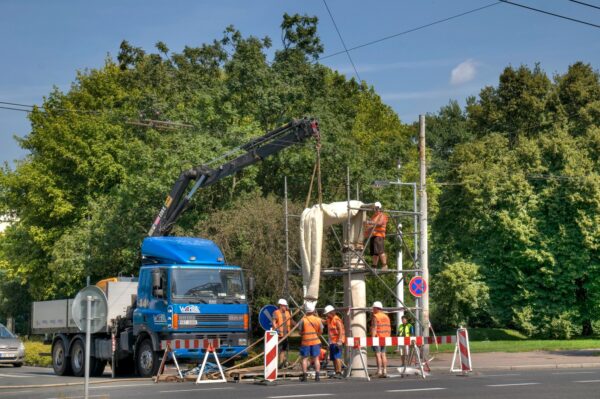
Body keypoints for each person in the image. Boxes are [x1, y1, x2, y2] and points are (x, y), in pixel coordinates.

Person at [298, 302, 323, 382]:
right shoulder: (318, 320)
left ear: (306, 310)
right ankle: (317, 376)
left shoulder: (303, 320)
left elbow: (300, 332)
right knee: (316, 359)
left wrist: (304, 335)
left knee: (304, 358)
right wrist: (316, 335)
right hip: (315, 341)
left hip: (305, 342)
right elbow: (321, 331)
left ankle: (305, 376)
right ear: (313, 310)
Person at [365, 201, 389, 270]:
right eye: (373, 208)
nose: (373, 209)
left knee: (380, 251)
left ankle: (385, 265)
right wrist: (367, 229)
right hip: (373, 235)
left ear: (378, 208)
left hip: (379, 235)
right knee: (375, 253)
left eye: (375, 208)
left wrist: (370, 222)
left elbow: (380, 223)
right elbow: (371, 226)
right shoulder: (374, 216)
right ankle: (374, 266)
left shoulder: (382, 215)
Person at [324, 305, 345, 378]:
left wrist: (339, 340)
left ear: (331, 312)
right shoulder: (329, 319)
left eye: (327, 313)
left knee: (337, 357)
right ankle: (336, 371)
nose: (326, 315)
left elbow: (340, 330)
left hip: (337, 341)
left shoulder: (336, 319)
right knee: (333, 357)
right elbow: (324, 322)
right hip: (332, 341)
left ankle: (339, 372)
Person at [370, 301, 391, 378]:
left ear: (376, 308)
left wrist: (372, 339)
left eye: (373, 308)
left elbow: (374, 328)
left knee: (378, 354)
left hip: (378, 338)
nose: (372, 309)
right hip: (385, 337)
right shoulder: (386, 316)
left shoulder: (376, 316)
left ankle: (379, 371)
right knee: (383, 354)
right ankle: (385, 370)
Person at [272, 298, 295, 368]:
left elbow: (291, 321)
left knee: (283, 350)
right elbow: (273, 322)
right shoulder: (276, 312)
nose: (286, 307)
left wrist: (297, 324)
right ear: (281, 305)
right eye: (284, 306)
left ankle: (282, 363)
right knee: (279, 349)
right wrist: (276, 329)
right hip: (279, 335)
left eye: (286, 306)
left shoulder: (288, 313)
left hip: (286, 334)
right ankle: (282, 363)